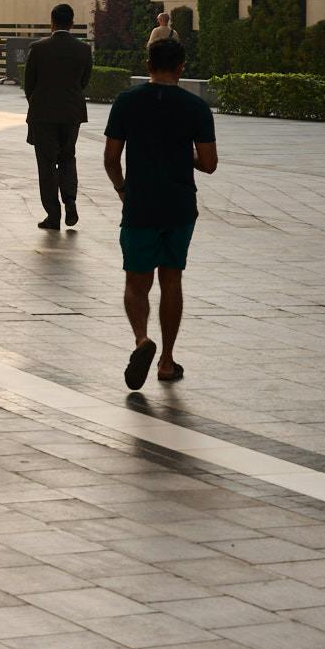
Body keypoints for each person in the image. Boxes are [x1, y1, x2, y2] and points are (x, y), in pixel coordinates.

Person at [104, 38, 218, 391]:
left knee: (136, 283)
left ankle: (142, 340)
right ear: (181, 67)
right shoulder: (195, 108)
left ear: (148, 63)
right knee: (171, 280)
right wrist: (186, 158)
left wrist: (123, 190)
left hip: (140, 204)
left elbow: (110, 159)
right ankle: (167, 361)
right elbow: (210, 164)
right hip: (180, 206)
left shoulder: (126, 102)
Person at [23, 2, 96, 230]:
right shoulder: (83, 50)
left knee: (46, 164)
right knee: (67, 157)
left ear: (52, 22)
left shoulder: (38, 48)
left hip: (43, 114)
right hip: (72, 113)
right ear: (72, 23)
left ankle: (53, 215)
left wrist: (38, 102)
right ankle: (71, 200)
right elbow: (83, 81)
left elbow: (29, 84)